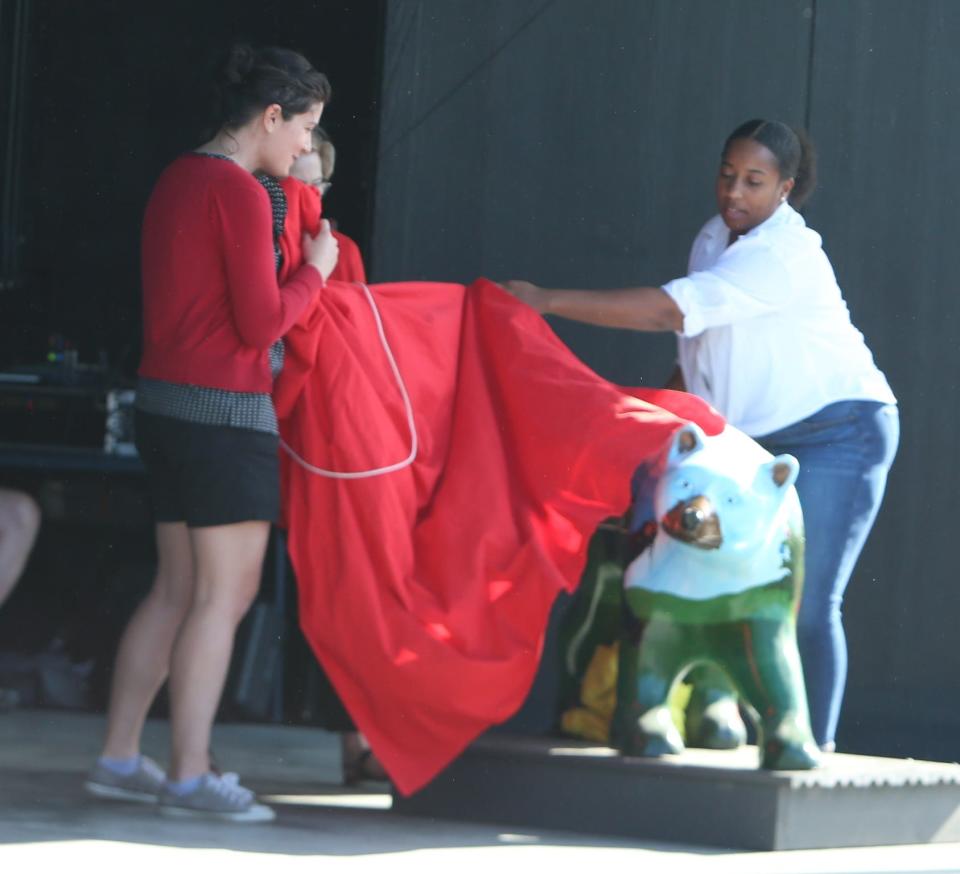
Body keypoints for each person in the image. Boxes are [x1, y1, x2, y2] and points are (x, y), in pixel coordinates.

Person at [504, 119, 898, 753]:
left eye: (754, 181)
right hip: (746, 439)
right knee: (715, 583)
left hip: (837, 432)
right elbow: (696, 350)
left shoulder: (782, 255)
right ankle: (721, 728)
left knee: (800, 597)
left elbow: (669, 310)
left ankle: (809, 758)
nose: (734, 193)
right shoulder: (714, 238)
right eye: (727, 175)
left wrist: (544, 300)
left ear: (785, 189)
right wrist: (661, 420)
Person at [83, 44, 339, 822]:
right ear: (270, 116)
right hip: (224, 410)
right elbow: (262, 319)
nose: (305, 149)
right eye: (304, 129)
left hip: (162, 404)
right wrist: (317, 269)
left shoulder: (178, 175)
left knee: (177, 590)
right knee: (224, 597)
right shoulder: (239, 191)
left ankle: (120, 756)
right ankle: (189, 775)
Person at [288, 128, 386, 785]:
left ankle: (359, 742)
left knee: (347, 588)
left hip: (327, 443)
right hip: (263, 428)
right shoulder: (258, 235)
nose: (309, 194)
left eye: (318, 182)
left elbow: (354, 345)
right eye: (297, 180)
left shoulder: (340, 250)